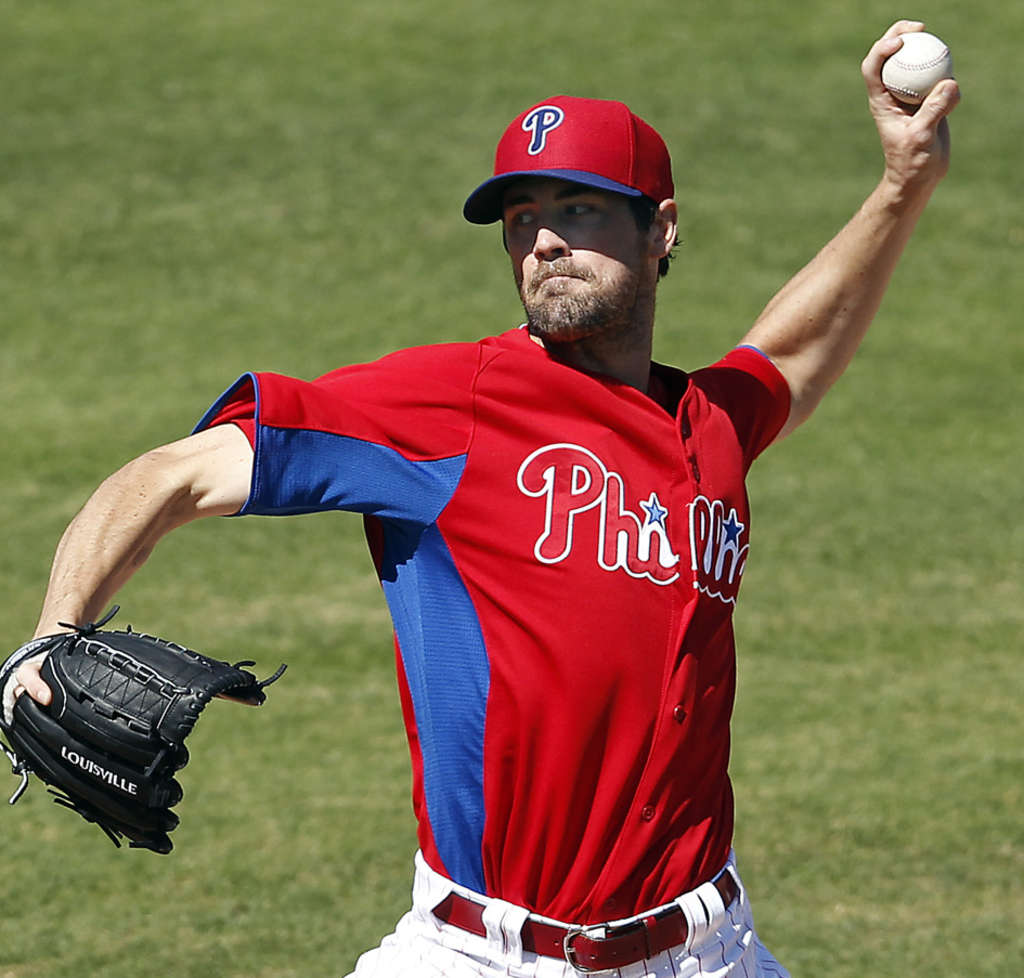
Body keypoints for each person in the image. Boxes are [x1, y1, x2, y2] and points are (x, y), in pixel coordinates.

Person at [9, 20, 958, 978]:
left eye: (581, 209)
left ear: (662, 228)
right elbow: (171, 475)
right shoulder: (449, 405)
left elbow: (790, 353)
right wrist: (54, 630)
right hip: (485, 956)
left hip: (712, 950)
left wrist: (901, 184)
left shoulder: (709, 422)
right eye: (521, 219)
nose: (545, 241)